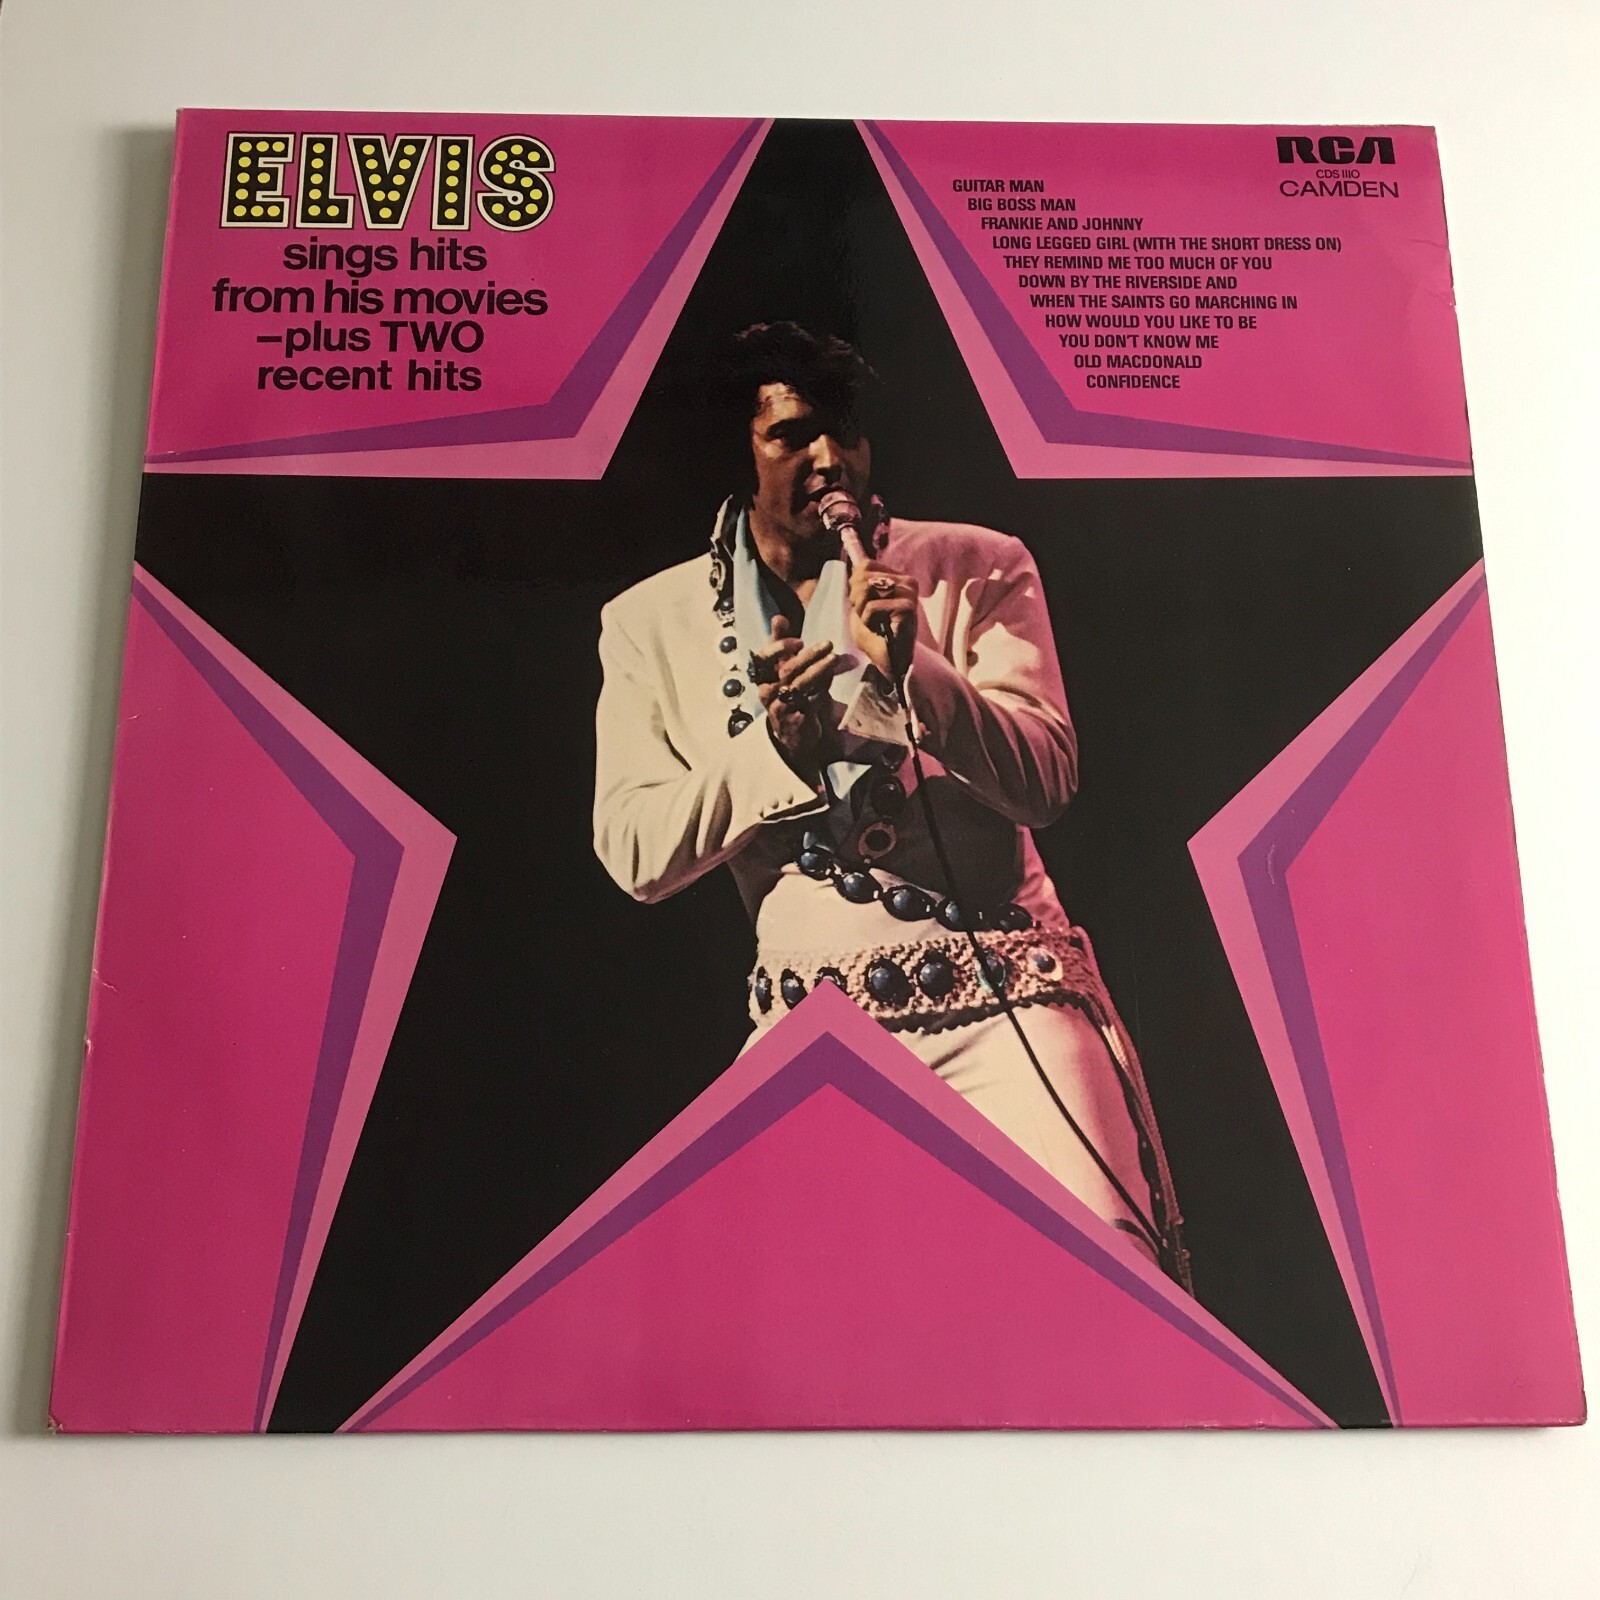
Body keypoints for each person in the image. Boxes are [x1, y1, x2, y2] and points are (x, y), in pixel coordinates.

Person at [592, 322, 1188, 1284]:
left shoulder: (976, 563)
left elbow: (1046, 782)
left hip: (1007, 1003)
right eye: (793, 436)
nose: (830, 459)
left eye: (846, 432)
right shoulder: (647, 621)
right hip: (806, 1027)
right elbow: (632, 854)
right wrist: (774, 757)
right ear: (737, 456)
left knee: (1108, 1282)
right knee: (778, 1317)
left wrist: (922, 674)